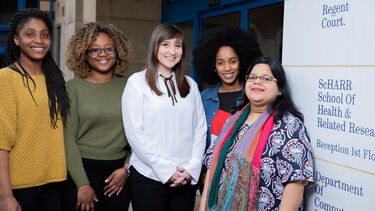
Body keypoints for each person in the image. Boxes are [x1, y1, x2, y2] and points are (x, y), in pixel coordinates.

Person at [200, 57, 314, 211]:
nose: (257, 82)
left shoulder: (289, 127)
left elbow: (296, 183)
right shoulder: (232, 121)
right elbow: (211, 167)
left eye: (266, 78)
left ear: (280, 89)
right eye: (252, 77)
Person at [121, 23, 207, 211]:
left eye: (178, 45)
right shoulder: (137, 83)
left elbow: (200, 129)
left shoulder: (191, 85)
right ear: (155, 47)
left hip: (185, 178)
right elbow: (136, 134)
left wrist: (192, 168)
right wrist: (167, 171)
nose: (172, 51)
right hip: (148, 177)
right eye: (165, 44)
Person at [0, 8, 70, 211]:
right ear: (16, 40)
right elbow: (1, 141)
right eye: (29, 34)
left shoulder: (54, 78)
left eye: (44, 34)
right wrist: (5, 197)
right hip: (20, 186)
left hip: (55, 182)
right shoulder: (5, 78)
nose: (38, 40)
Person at [62, 22, 133, 211]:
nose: (103, 54)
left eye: (109, 48)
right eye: (94, 50)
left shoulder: (132, 86)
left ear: (118, 51)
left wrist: (126, 168)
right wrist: (83, 184)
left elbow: (142, 133)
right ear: (84, 54)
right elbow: (68, 138)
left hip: (119, 173)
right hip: (81, 171)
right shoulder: (72, 88)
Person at [193, 25, 261, 150]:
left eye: (232, 61)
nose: (227, 68)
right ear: (213, 66)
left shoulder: (253, 96)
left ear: (241, 62)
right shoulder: (204, 97)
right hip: (208, 167)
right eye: (220, 63)